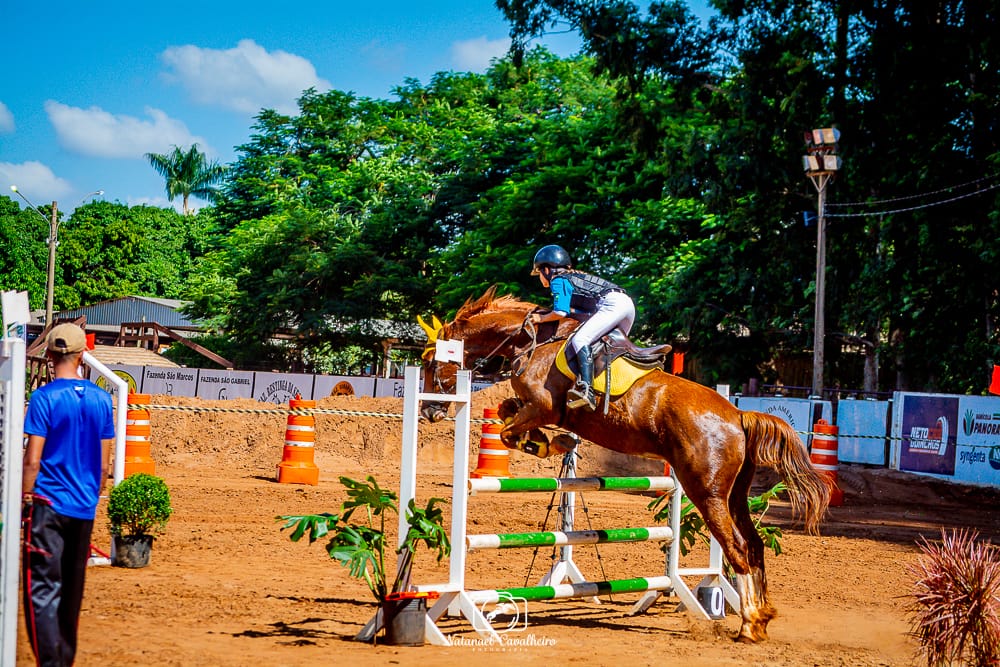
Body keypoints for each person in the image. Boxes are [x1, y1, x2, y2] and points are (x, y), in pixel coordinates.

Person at [22, 323, 114, 667]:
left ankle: (50, 662)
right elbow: (104, 467)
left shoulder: (44, 398)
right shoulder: (102, 400)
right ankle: (65, 658)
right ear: (82, 355)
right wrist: (91, 492)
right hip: (83, 506)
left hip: (47, 504)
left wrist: (25, 497)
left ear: (48, 355)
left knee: (42, 589)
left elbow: (32, 460)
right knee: (72, 591)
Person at [530, 244, 635, 411]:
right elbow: (583, 313)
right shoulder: (574, 277)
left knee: (580, 339)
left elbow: (560, 312)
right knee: (604, 347)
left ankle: (587, 390)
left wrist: (541, 318)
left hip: (612, 305)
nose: (539, 278)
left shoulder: (558, 280)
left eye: (539, 273)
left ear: (547, 269)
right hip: (626, 305)